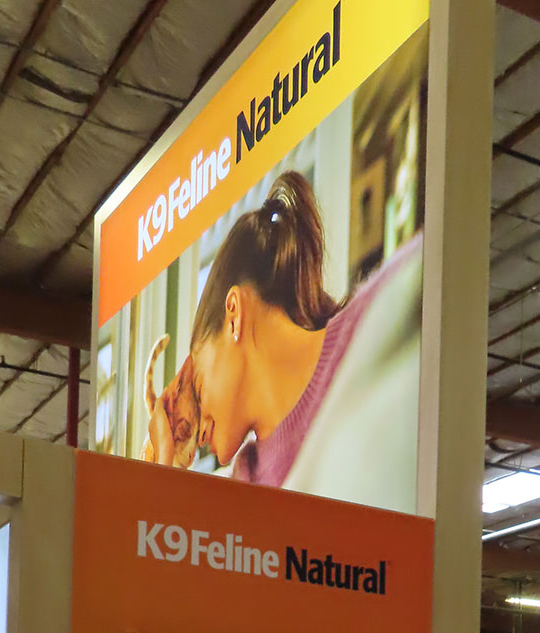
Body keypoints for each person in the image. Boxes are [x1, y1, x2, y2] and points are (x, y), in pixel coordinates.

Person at [146, 171, 423, 513]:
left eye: (200, 389)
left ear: (234, 314)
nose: (199, 433)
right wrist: (164, 466)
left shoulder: (395, 306)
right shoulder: (235, 495)